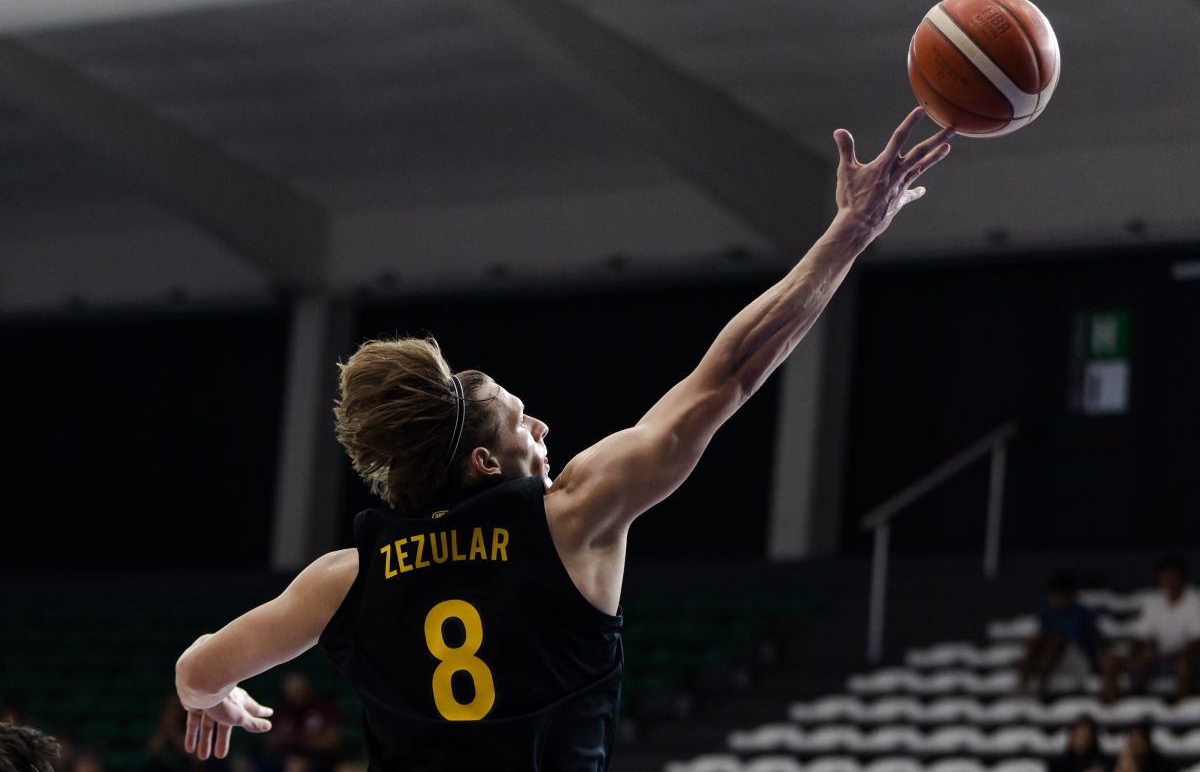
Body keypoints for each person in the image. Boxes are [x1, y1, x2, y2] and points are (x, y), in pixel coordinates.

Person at [174, 108, 954, 769]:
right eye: (522, 418)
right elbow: (729, 375)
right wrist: (853, 230)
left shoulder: (345, 578)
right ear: (486, 460)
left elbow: (197, 668)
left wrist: (214, 696)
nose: (543, 426)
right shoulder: (572, 517)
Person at [1101, 556, 1200, 703]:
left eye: (1173, 577)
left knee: (1183, 665)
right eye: (1165, 577)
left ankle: (1183, 711)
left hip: (1185, 659)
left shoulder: (1195, 600)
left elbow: (1195, 643)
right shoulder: (1154, 601)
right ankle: (1114, 711)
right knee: (1109, 661)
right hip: (1156, 659)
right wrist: (1137, 654)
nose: (1170, 582)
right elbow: (1141, 636)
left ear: (1183, 578)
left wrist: (1159, 656)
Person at [1019, 572, 1101, 695]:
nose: (1054, 600)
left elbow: (1093, 644)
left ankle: (1041, 686)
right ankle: (1022, 684)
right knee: (1035, 640)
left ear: (1069, 595)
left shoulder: (1082, 614)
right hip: (1053, 661)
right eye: (1052, 596)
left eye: (1058, 595)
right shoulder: (1048, 614)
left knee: (1057, 640)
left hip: (1078, 662)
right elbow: (1041, 641)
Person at [261, 672, 342, 772]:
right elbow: (269, 741)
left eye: (299, 690)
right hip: (285, 756)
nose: (295, 695)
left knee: (296, 764)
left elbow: (333, 741)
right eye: (291, 691)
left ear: (307, 688)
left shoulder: (323, 707)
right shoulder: (282, 709)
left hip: (320, 757)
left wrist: (297, 739)